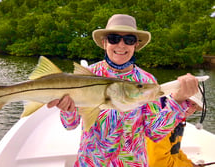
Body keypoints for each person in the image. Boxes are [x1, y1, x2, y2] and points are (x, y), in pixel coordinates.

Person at [47, 14, 199, 166]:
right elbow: (70, 125)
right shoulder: (87, 75)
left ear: (136, 45)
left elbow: (154, 133)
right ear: (104, 43)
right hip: (92, 162)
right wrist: (67, 110)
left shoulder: (147, 81)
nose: (121, 45)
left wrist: (177, 102)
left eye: (129, 40)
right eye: (114, 38)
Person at [146, 92, 203, 167]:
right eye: (186, 101)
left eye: (194, 105)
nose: (189, 108)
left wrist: (190, 163)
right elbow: (158, 164)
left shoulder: (177, 121)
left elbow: (175, 150)